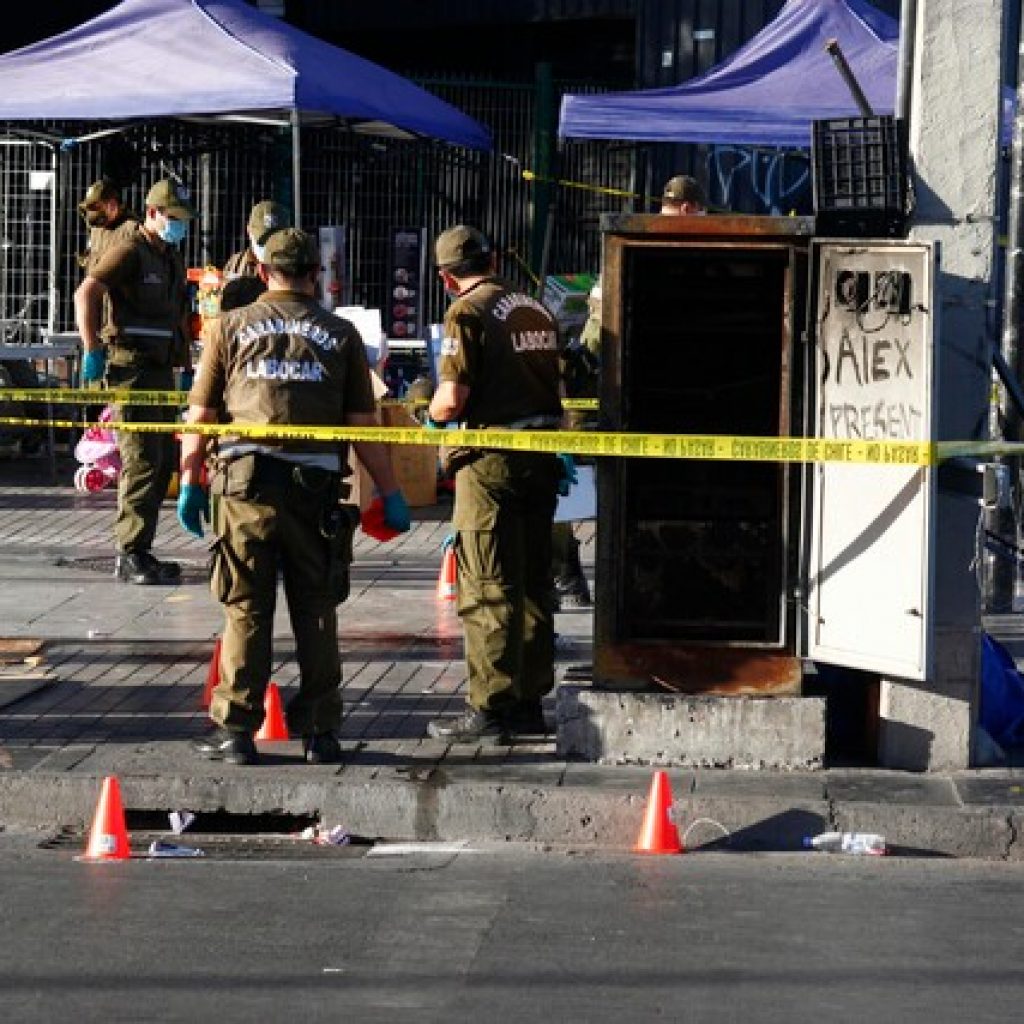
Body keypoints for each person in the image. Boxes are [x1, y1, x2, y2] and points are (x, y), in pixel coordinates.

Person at [178, 228, 411, 767]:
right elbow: (363, 426)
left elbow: (201, 416)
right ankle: (320, 732)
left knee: (246, 608)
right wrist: (392, 492)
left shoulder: (228, 327)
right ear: (316, 274)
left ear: (263, 273)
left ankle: (237, 731)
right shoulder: (340, 334)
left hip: (244, 489)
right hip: (316, 494)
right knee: (316, 610)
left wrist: (190, 483)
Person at [425, 225, 569, 745]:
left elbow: (452, 399)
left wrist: (429, 416)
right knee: (533, 584)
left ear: (447, 279)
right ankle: (529, 701)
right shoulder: (534, 307)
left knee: (488, 586)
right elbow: (559, 387)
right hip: (540, 458)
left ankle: (490, 707)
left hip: (490, 464)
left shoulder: (466, 312)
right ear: (495, 260)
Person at [73, 178, 195, 586]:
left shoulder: (170, 257)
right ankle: (130, 552)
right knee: (141, 459)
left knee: (161, 463)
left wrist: (185, 364)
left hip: (160, 369)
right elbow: (87, 293)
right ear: (152, 213)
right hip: (131, 368)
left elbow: (178, 315)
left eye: (183, 218)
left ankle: (142, 548)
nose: (179, 225)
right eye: (173, 217)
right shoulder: (129, 249)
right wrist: (92, 348)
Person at [221, 199, 291, 310]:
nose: (269, 246)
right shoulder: (237, 263)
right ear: (249, 231)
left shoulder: (296, 265)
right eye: (263, 240)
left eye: (275, 240)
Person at [78, 178, 140, 274]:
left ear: (112, 205)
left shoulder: (133, 228)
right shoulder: (96, 229)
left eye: (96, 207)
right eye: (90, 208)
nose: (93, 213)